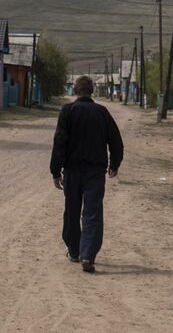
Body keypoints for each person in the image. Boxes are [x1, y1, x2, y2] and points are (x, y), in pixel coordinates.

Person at [50, 75, 124, 273]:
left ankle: (74, 251)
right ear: (91, 91)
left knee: (72, 211)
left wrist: (55, 171)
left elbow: (59, 142)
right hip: (95, 173)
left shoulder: (68, 111)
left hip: (72, 171)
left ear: (75, 90)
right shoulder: (102, 112)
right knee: (92, 213)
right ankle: (88, 255)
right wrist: (115, 163)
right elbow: (115, 139)